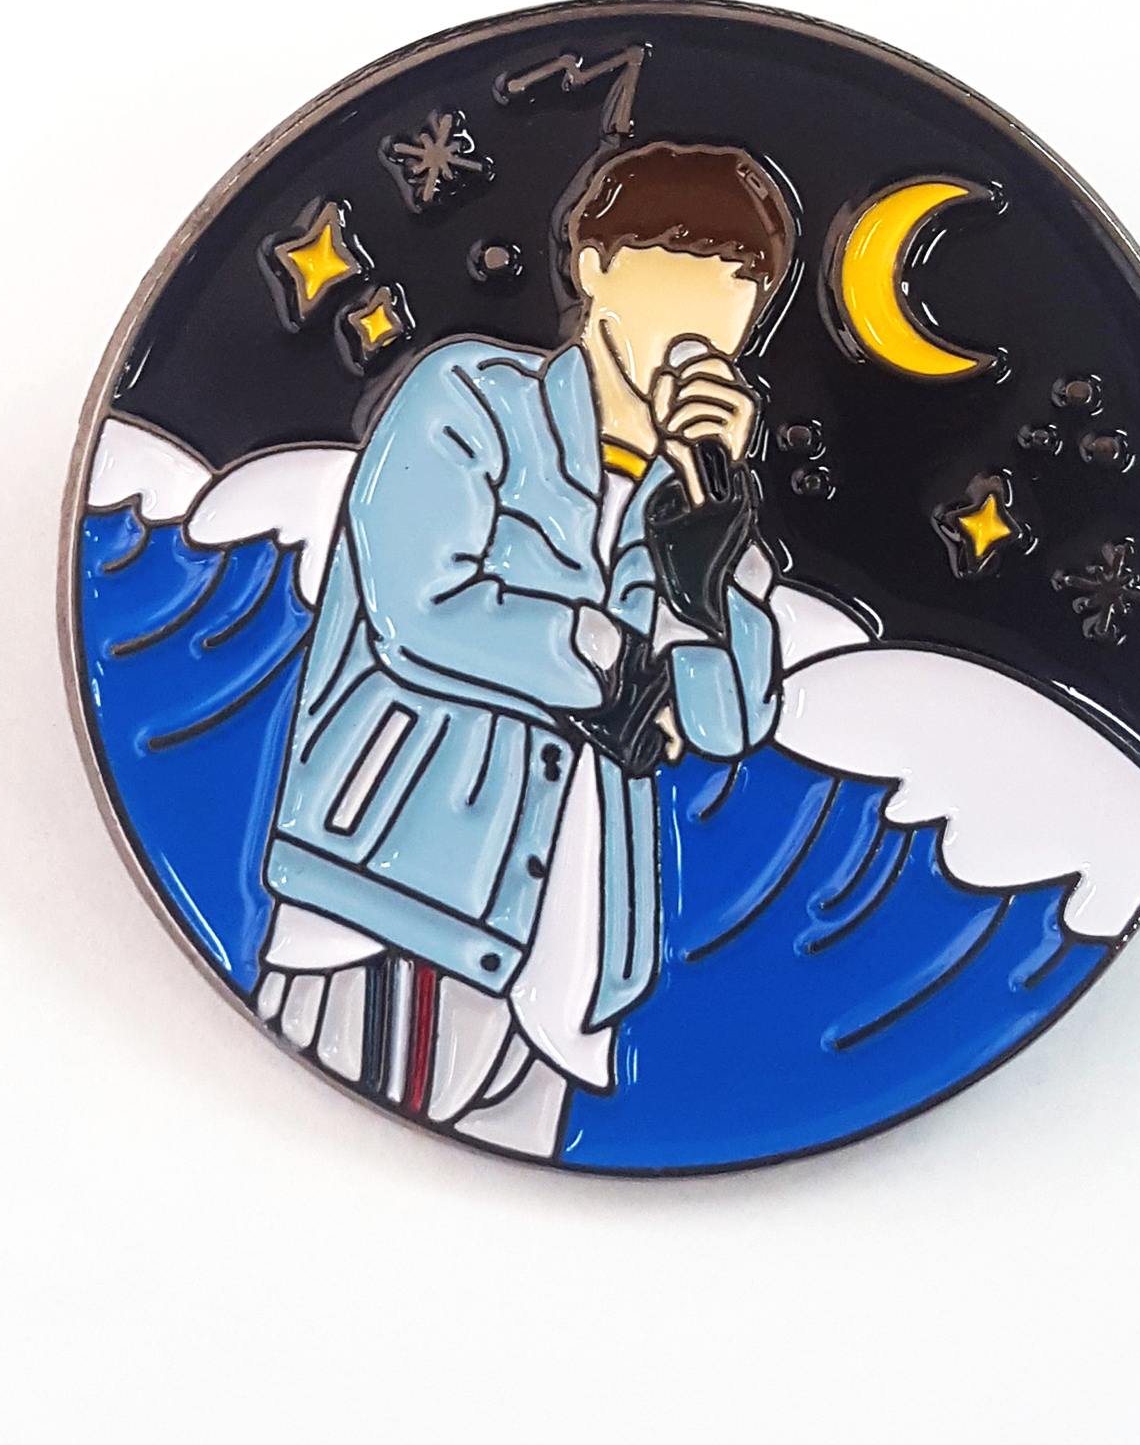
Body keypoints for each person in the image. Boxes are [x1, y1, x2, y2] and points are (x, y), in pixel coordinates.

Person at [250, 141, 795, 1156]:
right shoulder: (470, 398)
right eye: (673, 268)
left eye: (736, 285)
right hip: (399, 905)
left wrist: (701, 562)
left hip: (573, 968)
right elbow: (425, 609)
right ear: (593, 268)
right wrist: (620, 666)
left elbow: (729, 721)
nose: (701, 313)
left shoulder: (705, 503)